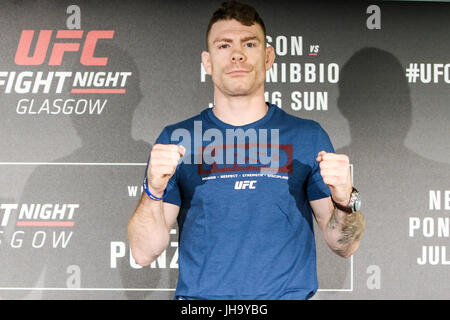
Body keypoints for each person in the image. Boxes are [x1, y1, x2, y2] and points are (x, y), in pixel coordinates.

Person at [128, 0, 365, 300]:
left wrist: (345, 199)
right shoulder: (177, 139)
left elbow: (345, 246)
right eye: (224, 45)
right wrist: (154, 189)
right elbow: (143, 253)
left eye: (249, 44)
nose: (237, 54)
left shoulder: (308, 137)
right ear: (207, 61)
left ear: (267, 57)